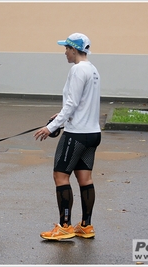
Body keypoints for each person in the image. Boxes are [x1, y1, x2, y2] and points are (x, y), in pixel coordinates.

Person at [34, 33, 101, 240]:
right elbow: (81, 102)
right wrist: (61, 116)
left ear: (74, 49)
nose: (65, 52)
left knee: (60, 176)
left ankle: (64, 227)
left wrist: (52, 126)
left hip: (76, 135)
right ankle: (86, 226)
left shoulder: (77, 69)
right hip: (92, 133)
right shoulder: (92, 69)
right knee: (85, 179)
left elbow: (72, 103)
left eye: (66, 49)